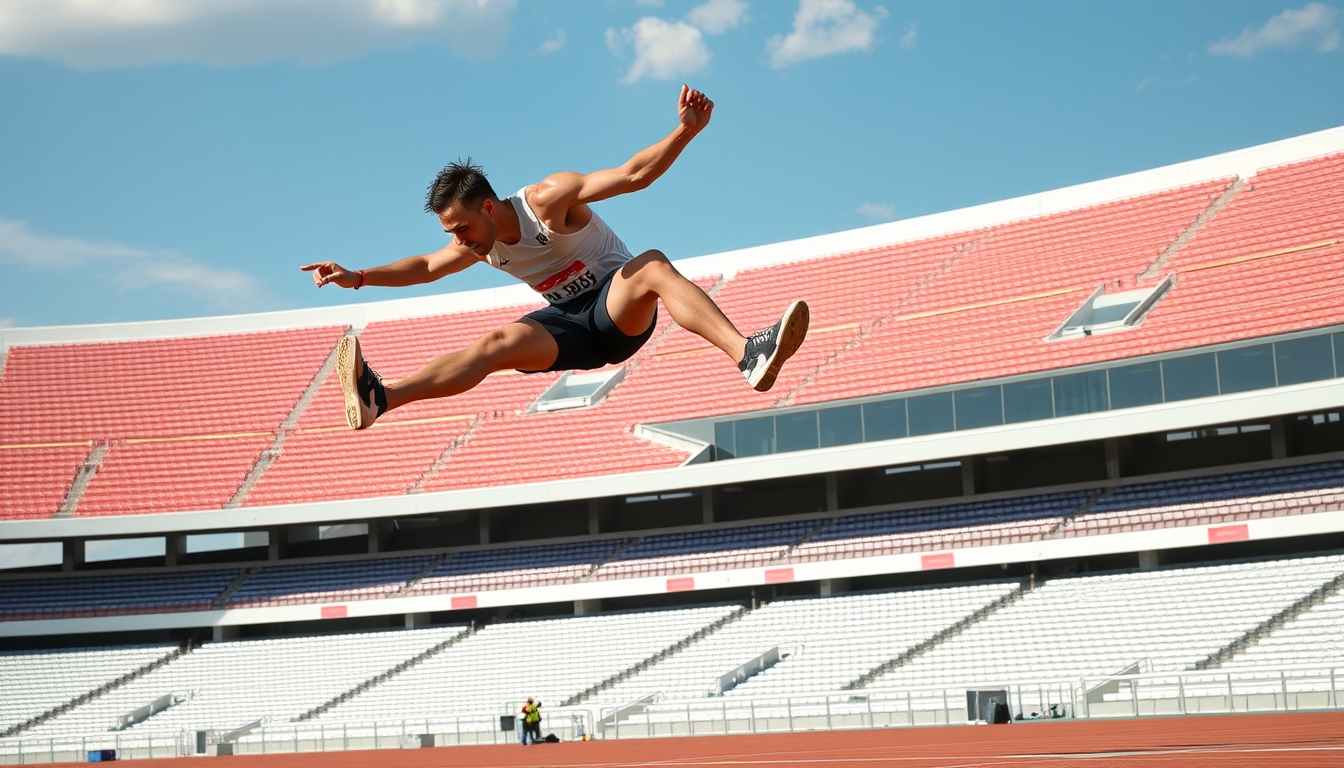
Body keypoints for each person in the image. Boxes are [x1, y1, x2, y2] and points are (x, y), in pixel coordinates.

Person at [301, 85, 809, 430]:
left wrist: (686, 131)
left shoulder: (548, 200)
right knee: (495, 343)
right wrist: (359, 276)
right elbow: (428, 267)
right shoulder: (476, 242)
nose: (461, 241)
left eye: (463, 228)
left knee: (651, 263)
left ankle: (747, 353)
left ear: (488, 205)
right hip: (568, 328)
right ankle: (380, 399)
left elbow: (635, 175)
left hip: (616, 309)